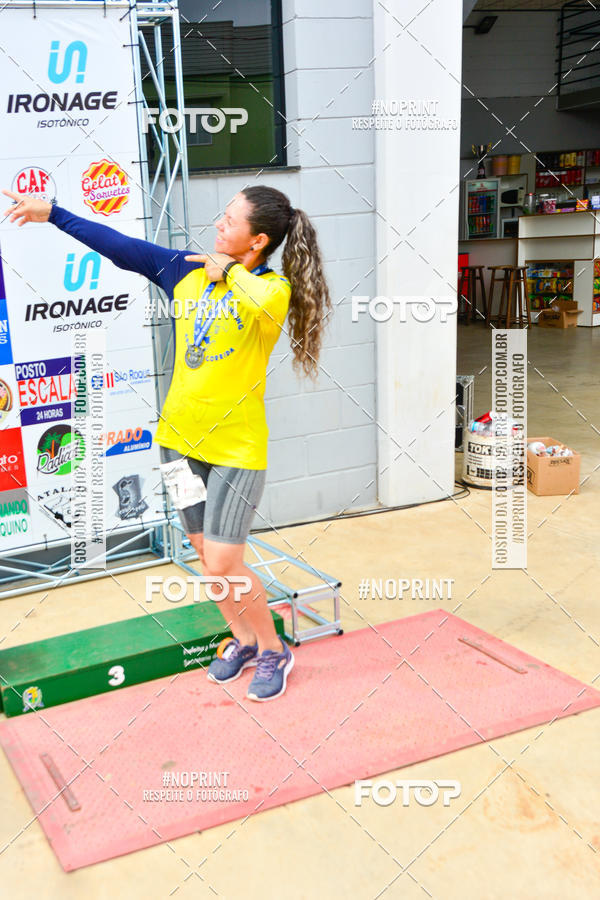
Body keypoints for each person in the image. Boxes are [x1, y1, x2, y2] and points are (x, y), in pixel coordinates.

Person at [2, 185, 332, 701]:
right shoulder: (185, 271)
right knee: (202, 552)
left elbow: (259, 299)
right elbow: (121, 247)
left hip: (236, 452)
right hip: (178, 443)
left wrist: (230, 271)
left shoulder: (273, 289)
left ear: (258, 240)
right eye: (222, 216)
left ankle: (274, 649)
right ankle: (244, 639)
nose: (219, 225)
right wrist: (54, 214)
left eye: (230, 221)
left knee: (224, 561)